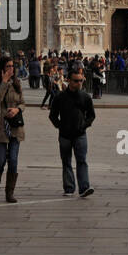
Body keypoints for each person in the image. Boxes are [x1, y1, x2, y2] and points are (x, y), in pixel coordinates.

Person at [49, 64, 95, 196]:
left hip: (80, 134)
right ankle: (69, 188)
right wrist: (60, 126)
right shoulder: (60, 97)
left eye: (81, 80)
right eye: (76, 81)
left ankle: (84, 187)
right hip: (65, 135)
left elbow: (91, 115)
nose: (79, 83)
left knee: (82, 160)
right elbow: (52, 115)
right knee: (66, 161)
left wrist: (84, 125)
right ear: (68, 80)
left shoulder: (85, 97)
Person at [0, 55, 26, 204]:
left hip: (15, 126)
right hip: (0, 125)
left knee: (14, 160)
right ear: (1, 68)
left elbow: (23, 103)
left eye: (12, 66)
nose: (11, 69)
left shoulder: (16, 83)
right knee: (1, 160)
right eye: (8, 66)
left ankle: (9, 193)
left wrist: (17, 110)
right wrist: (3, 82)